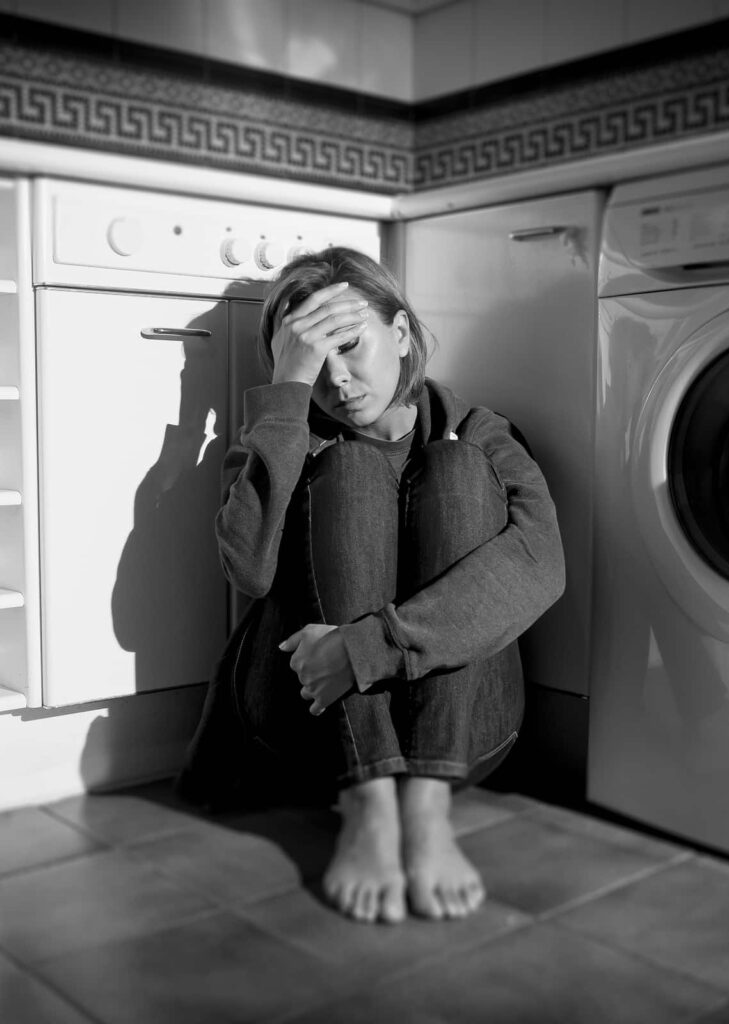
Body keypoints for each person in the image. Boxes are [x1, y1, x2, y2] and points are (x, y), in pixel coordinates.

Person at [178, 246, 565, 925]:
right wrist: (285, 401)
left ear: (403, 333)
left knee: (457, 473)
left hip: (462, 728)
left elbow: (540, 564)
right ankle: (368, 800)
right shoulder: (279, 434)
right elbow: (248, 571)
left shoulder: (481, 432)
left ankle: (424, 803)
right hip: (307, 726)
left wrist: (366, 648)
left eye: (350, 346)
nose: (339, 381)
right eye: (309, 364)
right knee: (350, 473)